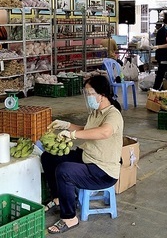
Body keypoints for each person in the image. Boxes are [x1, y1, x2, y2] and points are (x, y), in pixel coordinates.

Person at [41, 75, 123, 234]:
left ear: (102, 94)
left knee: (65, 170)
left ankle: (69, 218)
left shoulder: (113, 115)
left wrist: (72, 136)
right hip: (87, 158)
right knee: (49, 157)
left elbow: (104, 132)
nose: (88, 97)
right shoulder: (95, 112)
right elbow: (87, 130)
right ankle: (58, 197)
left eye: (90, 93)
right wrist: (66, 125)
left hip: (102, 171)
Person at [152, 19, 167, 90]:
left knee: (162, 72)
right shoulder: (163, 31)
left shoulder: (164, 31)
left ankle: (158, 87)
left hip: (163, 54)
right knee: (161, 73)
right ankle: (156, 88)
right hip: (162, 55)